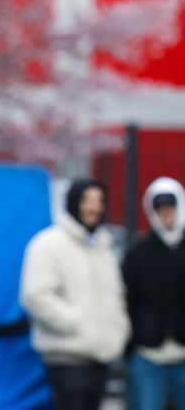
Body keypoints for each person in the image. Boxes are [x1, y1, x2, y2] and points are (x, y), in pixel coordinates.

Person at [19, 179, 130, 410]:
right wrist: (76, 323)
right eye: (87, 200)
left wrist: (119, 331)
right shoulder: (48, 244)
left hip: (101, 357)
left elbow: (116, 296)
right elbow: (35, 295)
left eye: (99, 201)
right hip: (67, 359)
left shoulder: (103, 247)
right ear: (73, 202)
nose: (94, 207)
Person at [122, 176, 185, 410]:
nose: (167, 214)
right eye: (160, 209)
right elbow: (128, 301)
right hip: (148, 354)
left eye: (171, 207)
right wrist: (132, 344)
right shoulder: (138, 254)